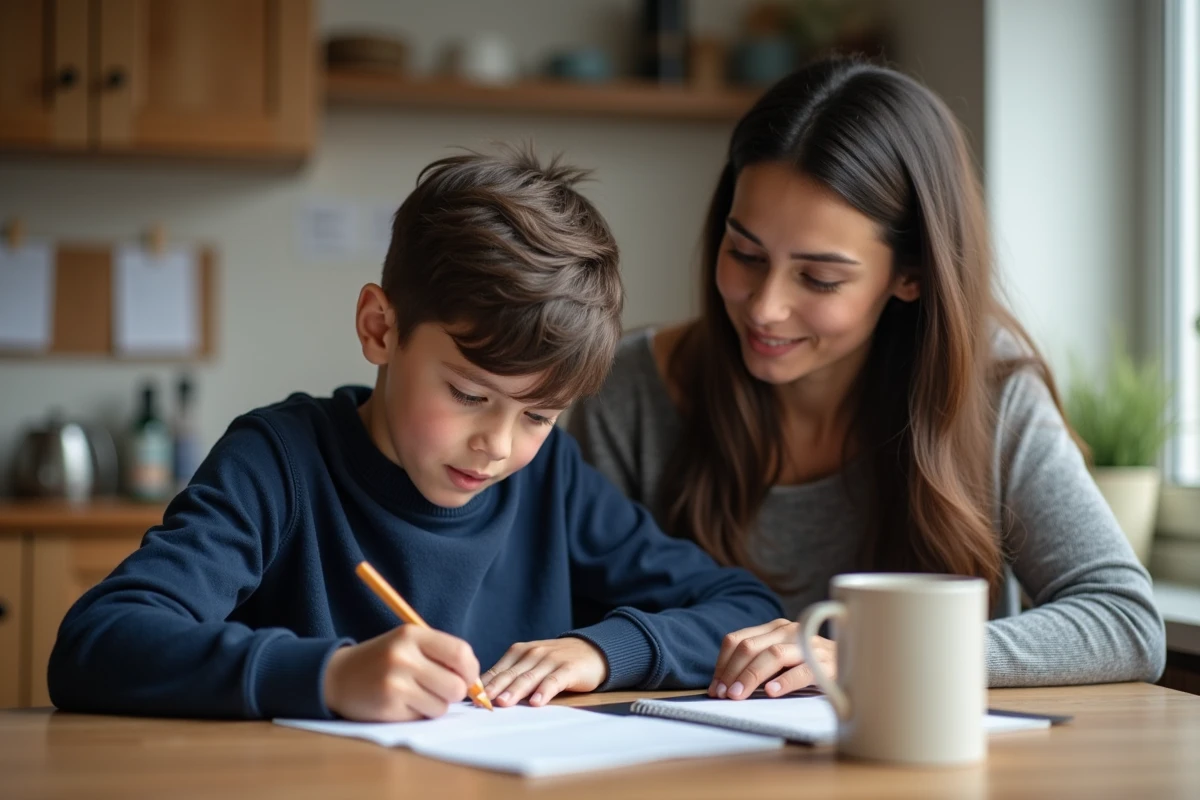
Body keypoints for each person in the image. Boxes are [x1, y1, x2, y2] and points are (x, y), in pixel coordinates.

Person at [47, 147, 783, 722]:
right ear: (380, 327)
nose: (498, 445)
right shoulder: (281, 463)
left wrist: (603, 649)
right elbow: (98, 641)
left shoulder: (547, 476)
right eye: (468, 394)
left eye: (538, 413)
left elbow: (744, 608)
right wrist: (329, 675)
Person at [569, 58, 1165, 699]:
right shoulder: (630, 391)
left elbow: (1125, 620)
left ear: (910, 274)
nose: (766, 306)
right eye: (744, 253)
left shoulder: (987, 391)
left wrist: (872, 653)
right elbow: (576, 622)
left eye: (819, 278)